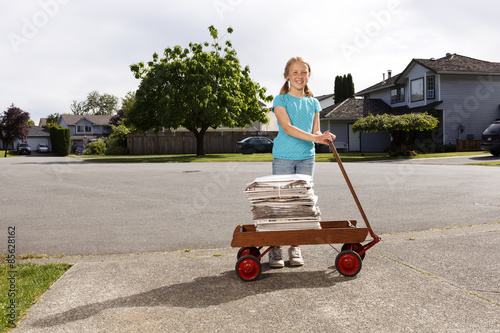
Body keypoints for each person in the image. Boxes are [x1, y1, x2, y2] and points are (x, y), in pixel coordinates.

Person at [269, 56, 336, 268]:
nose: (299, 76)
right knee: (281, 203)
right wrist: (315, 138)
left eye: (303, 72)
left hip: (307, 158)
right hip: (283, 157)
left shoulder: (314, 103)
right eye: (295, 72)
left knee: (301, 204)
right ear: (287, 76)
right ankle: (275, 248)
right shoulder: (280, 100)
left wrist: (322, 136)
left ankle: (294, 247)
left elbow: (315, 130)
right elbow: (287, 128)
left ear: (308, 76)